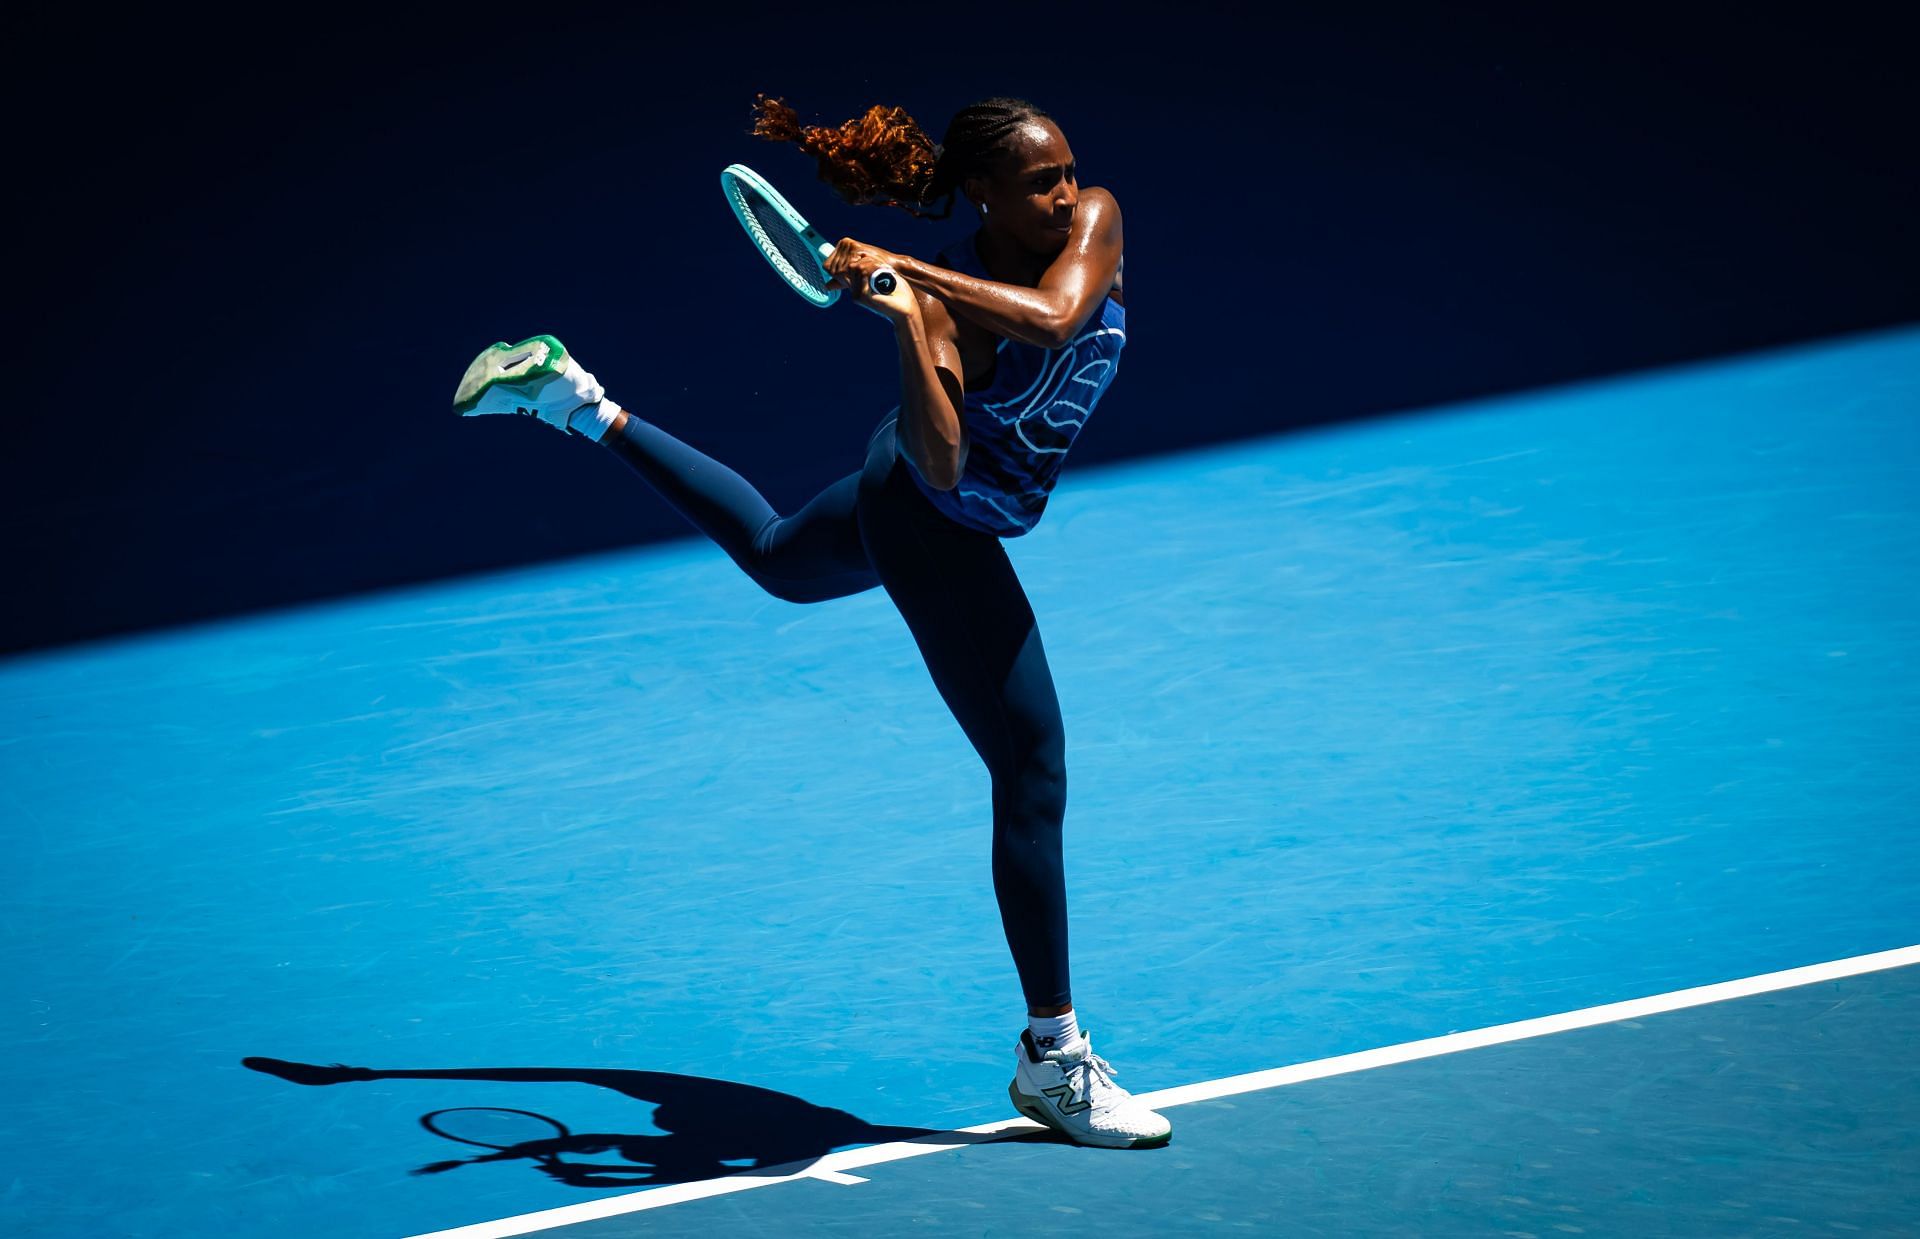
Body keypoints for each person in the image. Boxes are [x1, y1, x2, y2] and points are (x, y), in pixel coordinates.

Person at [452, 94, 1165, 1149]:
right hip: (934, 517)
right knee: (1032, 767)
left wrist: (910, 276)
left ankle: (576, 400)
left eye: (1067, 170)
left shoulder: (1093, 223)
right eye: (1039, 181)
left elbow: (1060, 319)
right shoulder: (946, 318)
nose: (1066, 193)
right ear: (983, 196)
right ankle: (1053, 1060)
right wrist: (912, 325)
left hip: (932, 494)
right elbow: (940, 469)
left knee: (782, 561)